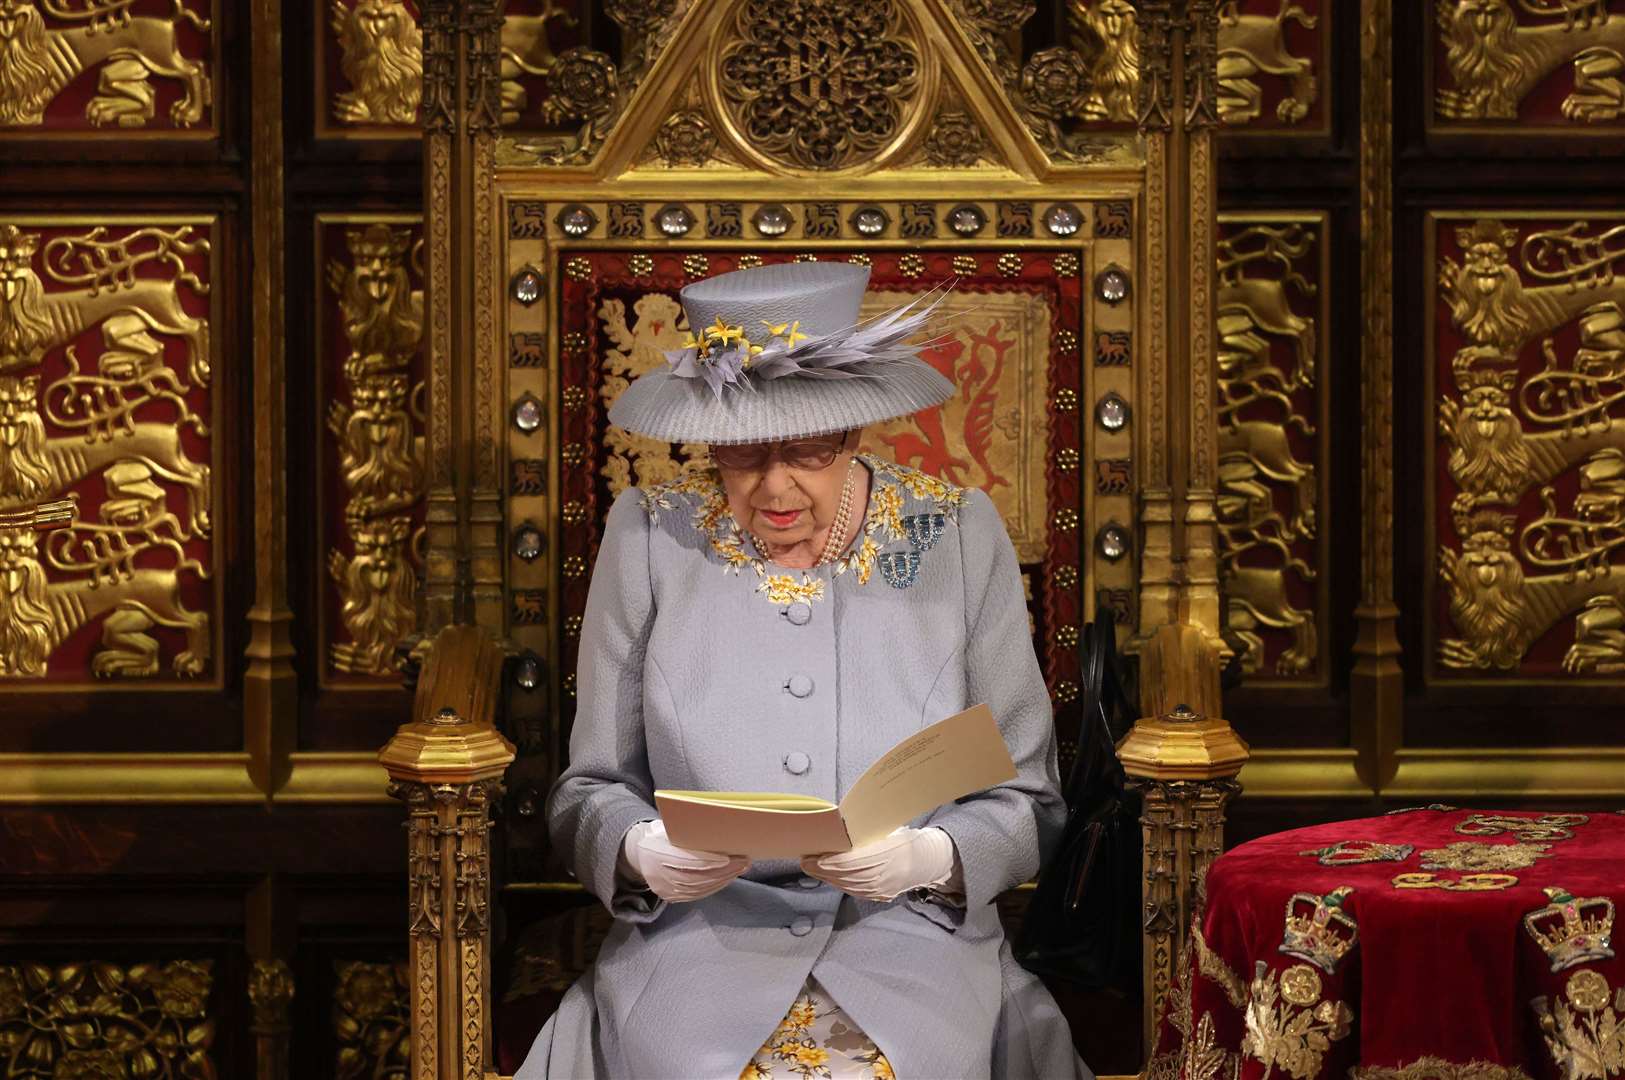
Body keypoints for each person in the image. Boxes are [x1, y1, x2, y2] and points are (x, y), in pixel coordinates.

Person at [517, 262, 1091, 1079]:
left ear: (853, 432)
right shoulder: (649, 535)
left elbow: (1028, 801)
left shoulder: (956, 533)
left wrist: (931, 858)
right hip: (698, 939)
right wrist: (641, 850)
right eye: (744, 455)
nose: (774, 487)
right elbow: (586, 792)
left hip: (910, 935)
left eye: (807, 452)